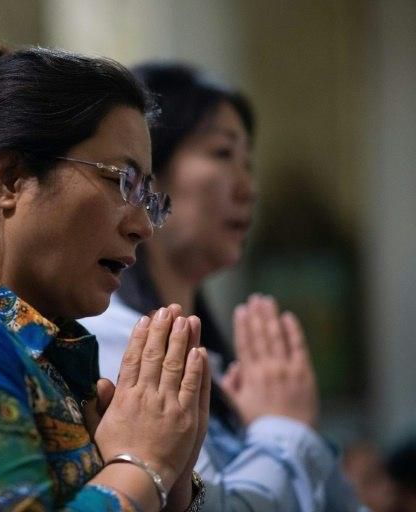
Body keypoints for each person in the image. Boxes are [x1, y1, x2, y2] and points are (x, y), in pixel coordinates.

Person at [0, 46, 209, 511]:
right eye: (122, 182)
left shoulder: (50, 353)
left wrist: (172, 489)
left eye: (148, 197)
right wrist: (141, 463)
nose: (143, 226)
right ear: (10, 179)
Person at [80, 63, 364, 511]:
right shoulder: (115, 339)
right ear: (147, 171)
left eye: (248, 162)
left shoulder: (223, 360)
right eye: (221, 153)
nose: (249, 188)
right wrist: (283, 428)